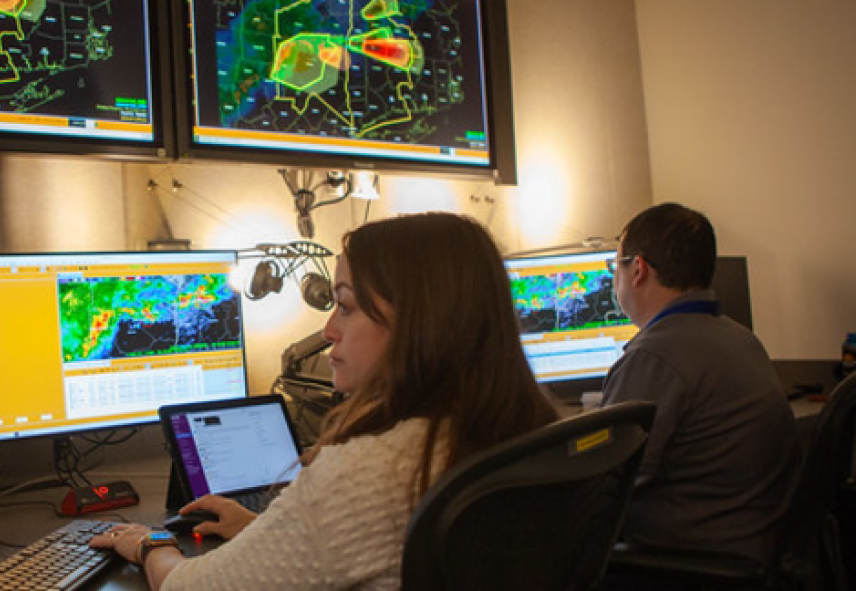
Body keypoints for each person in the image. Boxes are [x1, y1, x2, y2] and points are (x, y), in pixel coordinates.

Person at [90, 212, 559, 590]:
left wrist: (150, 544)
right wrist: (267, 532)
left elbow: (189, 588)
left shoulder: (369, 470)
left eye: (347, 306)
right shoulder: (529, 431)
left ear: (419, 325)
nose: (330, 330)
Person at [601, 202, 798, 566]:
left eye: (616, 266)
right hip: (749, 545)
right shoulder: (742, 339)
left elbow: (606, 486)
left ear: (639, 269)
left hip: (689, 561)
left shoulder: (655, 357)